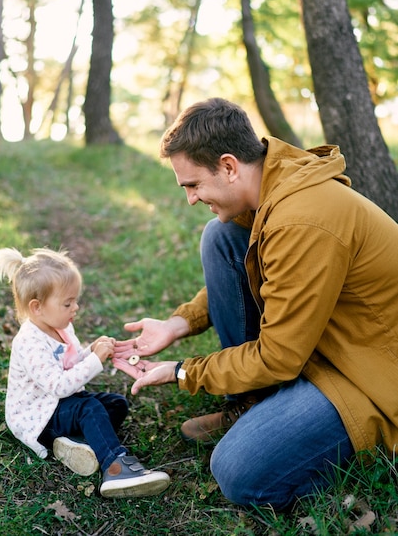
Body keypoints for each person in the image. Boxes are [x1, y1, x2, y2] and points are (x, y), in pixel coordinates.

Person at [112, 96, 398, 510]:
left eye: (193, 184)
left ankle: (327, 447)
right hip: (327, 341)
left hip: (371, 375)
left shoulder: (302, 218)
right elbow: (270, 275)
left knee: (238, 470)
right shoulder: (276, 190)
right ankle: (257, 404)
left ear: (229, 166)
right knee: (222, 236)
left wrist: (181, 372)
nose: (190, 198)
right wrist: (179, 324)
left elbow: (279, 357)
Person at [0, 247, 170, 498]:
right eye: (67, 303)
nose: (76, 307)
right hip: (39, 418)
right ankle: (116, 467)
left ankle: (77, 444)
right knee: (90, 409)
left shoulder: (60, 325)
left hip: (56, 404)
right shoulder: (29, 342)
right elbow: (60, 385)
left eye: (75, 300)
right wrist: (95, 360)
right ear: (37, 307)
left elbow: (69, 363)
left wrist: (91, 351)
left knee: (117, 404)